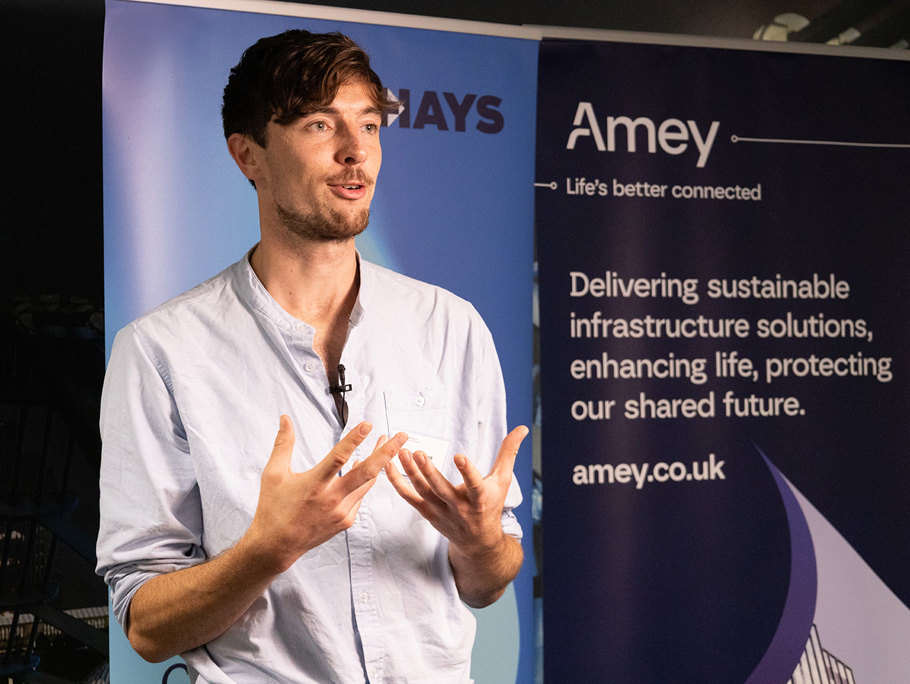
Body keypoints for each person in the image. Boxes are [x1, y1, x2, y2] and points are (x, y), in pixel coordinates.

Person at [95, 29, 526, 683]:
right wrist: (270, 549)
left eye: (369, 125)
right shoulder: (160, 352)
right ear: (249, 156)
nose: (357, 152)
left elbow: (487, 584)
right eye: (320, 125)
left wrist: (482, 542)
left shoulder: (450, 326)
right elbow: (146, 628)